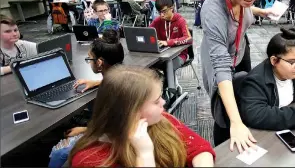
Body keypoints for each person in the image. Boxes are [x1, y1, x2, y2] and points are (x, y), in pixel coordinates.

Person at [200, 0, 277, 151]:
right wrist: (235, 122)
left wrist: (261, 12)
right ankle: (224, 151)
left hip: (240, 48)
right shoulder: (213, 11)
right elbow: (221, 67)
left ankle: (245, 127)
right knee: (224, 112)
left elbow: (245, 7)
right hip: (219, 57)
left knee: (247, 92)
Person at [68, 66, 215, 167]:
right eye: (156, 101)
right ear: (131, 112)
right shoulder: (89, 160)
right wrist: (144, 154)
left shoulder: (160, 120)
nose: (163, 102)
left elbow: (200, 149)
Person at [48, 29, 125, 168]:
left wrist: (85, 130)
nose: (89, 63)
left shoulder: (111, 92)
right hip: (121, 133)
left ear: (100, 62)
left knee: (58, 153)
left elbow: (114, 127)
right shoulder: (123, 77)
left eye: (89, 59)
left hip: (116, 140)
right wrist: (97, 82)